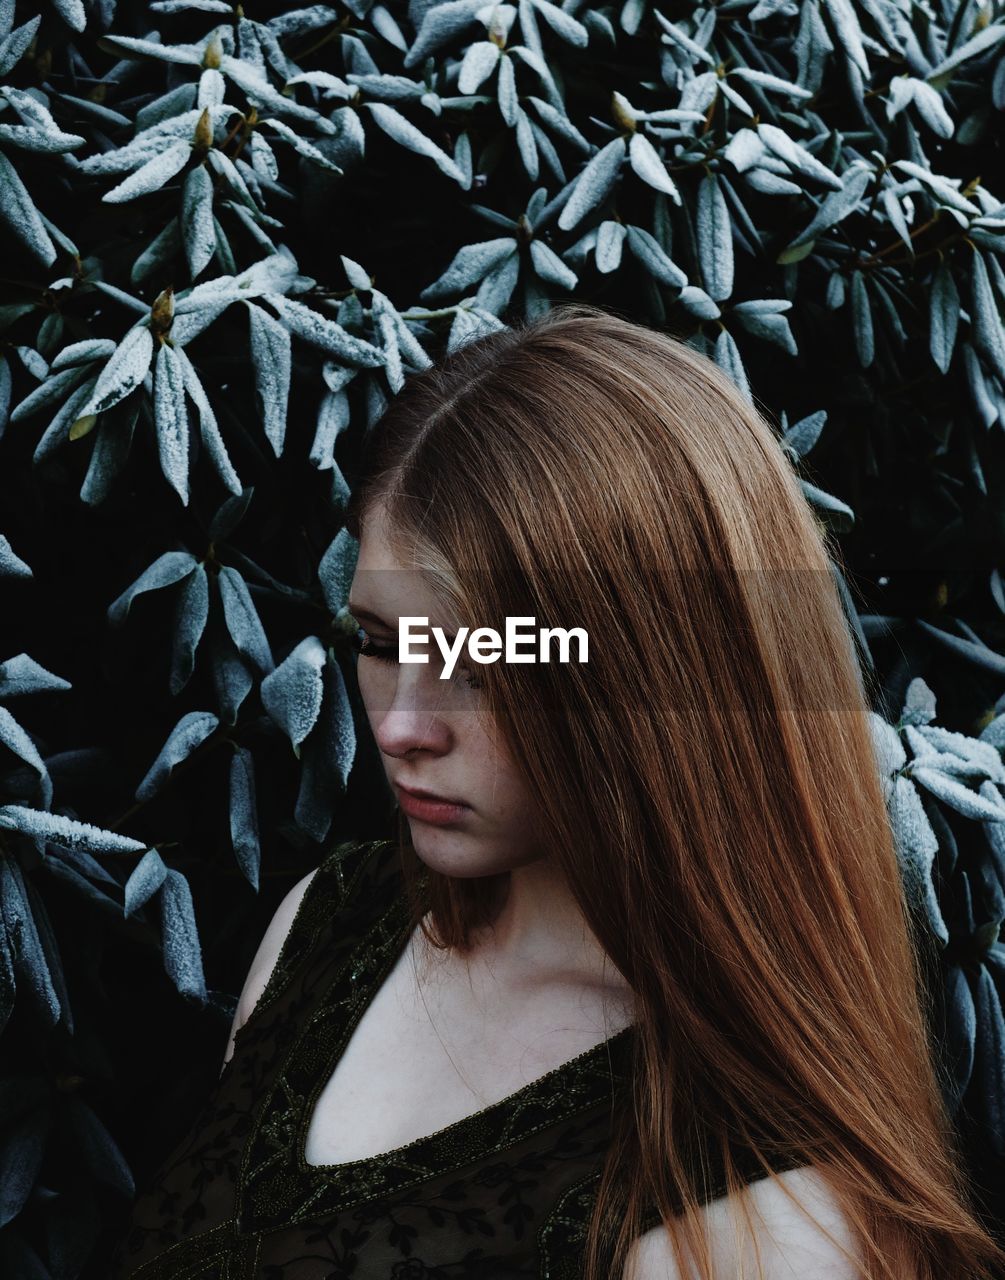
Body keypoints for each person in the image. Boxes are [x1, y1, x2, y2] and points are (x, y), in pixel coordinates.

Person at [107, 303, 1005, 1279]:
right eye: (378, 640)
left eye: (485, 660)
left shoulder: (756, 1227)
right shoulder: (326, 927)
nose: (404, 723)